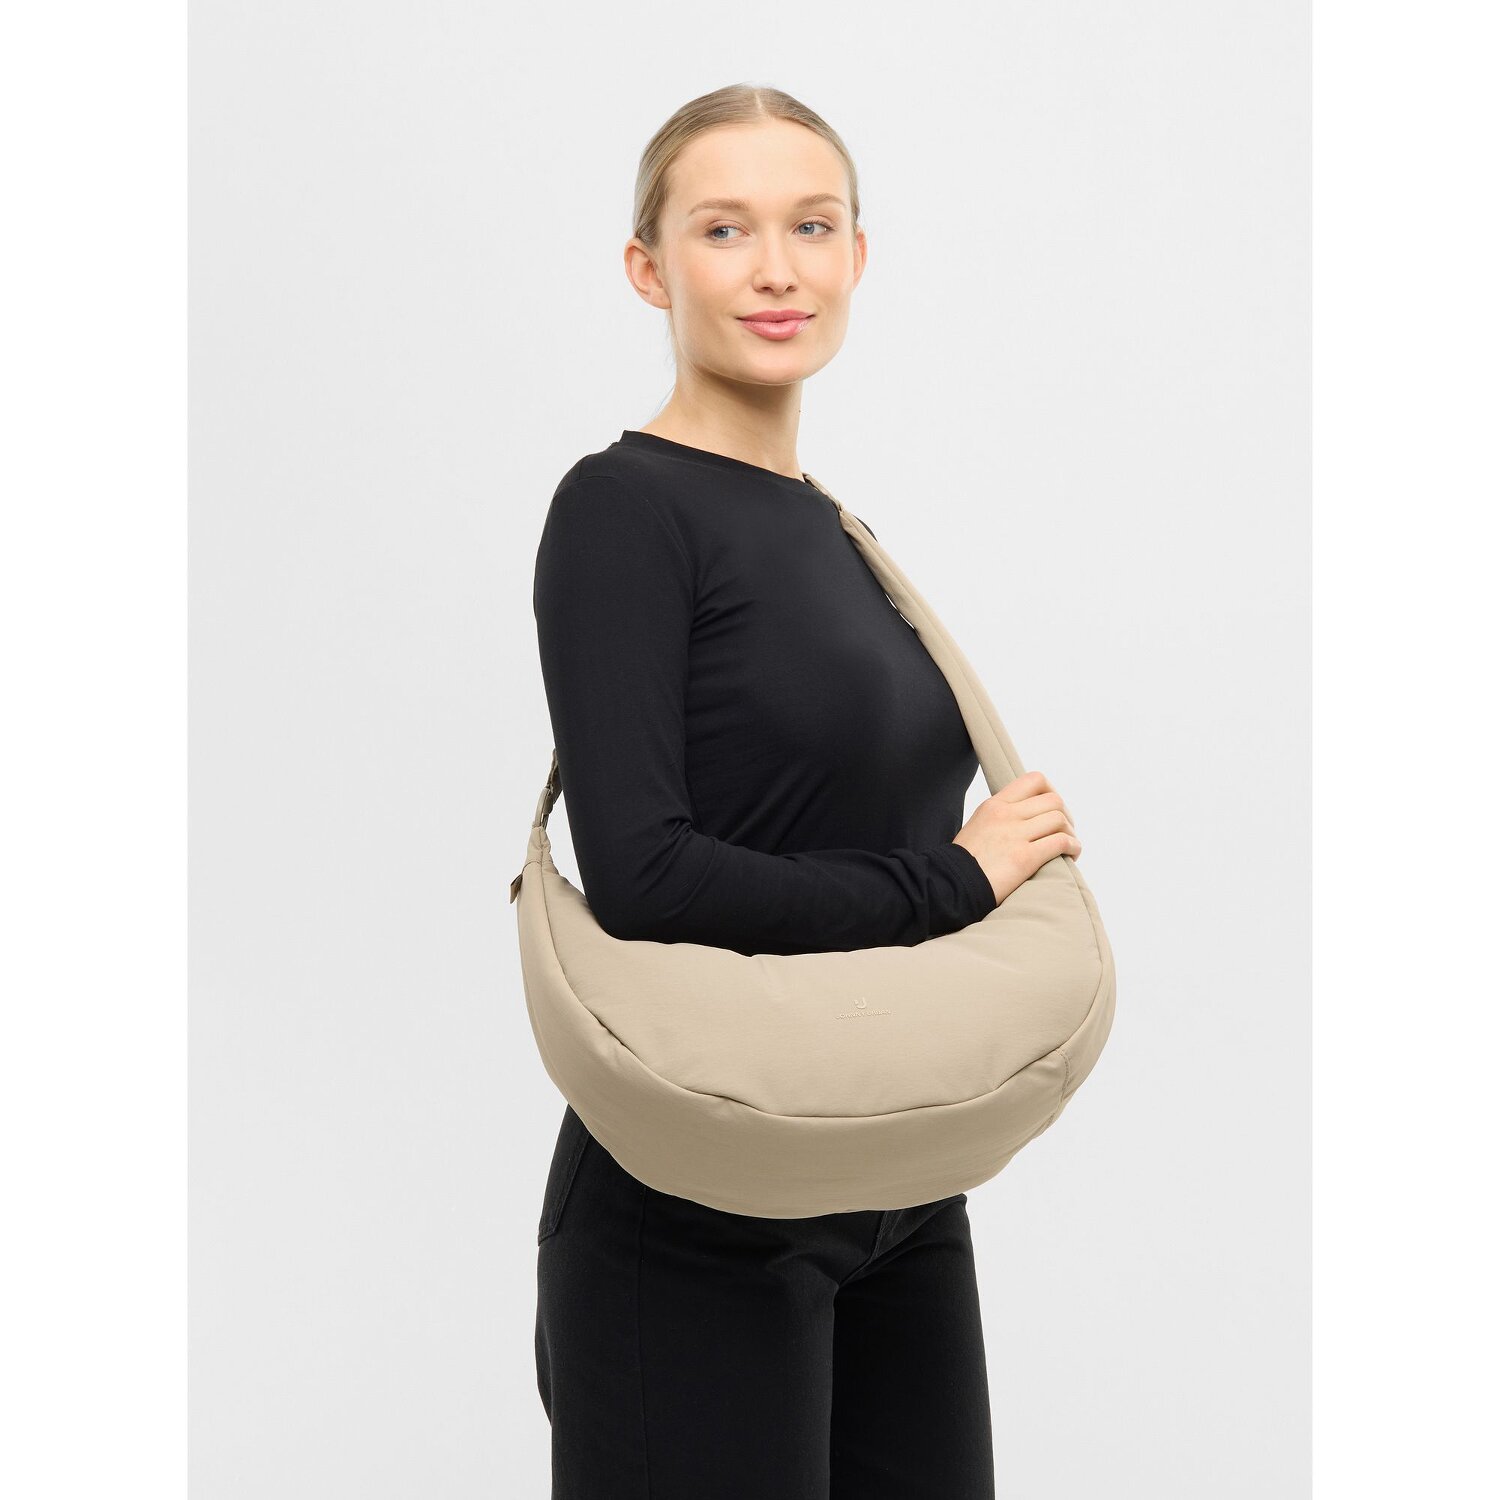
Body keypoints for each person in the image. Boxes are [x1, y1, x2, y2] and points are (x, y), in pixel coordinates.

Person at [528, 82, 1082, 1500]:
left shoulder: (838, 535)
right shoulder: (623, 509)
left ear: (857, 257)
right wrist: (956, 879)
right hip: (693, 1197)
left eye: (812, 226)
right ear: (649, 267)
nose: (777, 268)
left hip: (900, 1178)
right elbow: (645, 875)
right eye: (725, 229)